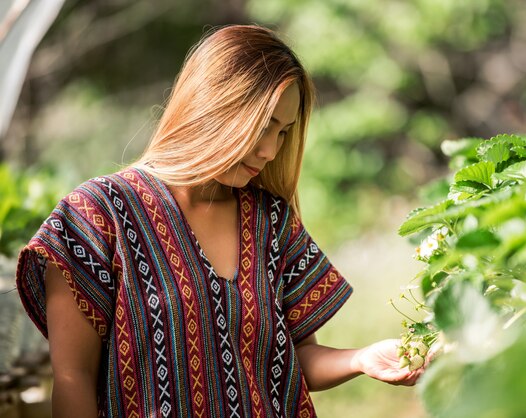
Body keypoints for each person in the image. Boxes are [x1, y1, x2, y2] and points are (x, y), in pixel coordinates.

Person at [16, 24, 423, 417]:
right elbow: (73, 378)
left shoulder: (272, 221)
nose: (270, 150)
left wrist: (363, 358)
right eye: (264, 126)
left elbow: (296, 358)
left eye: (284, 132)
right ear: (213, 106)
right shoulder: (95, 216)